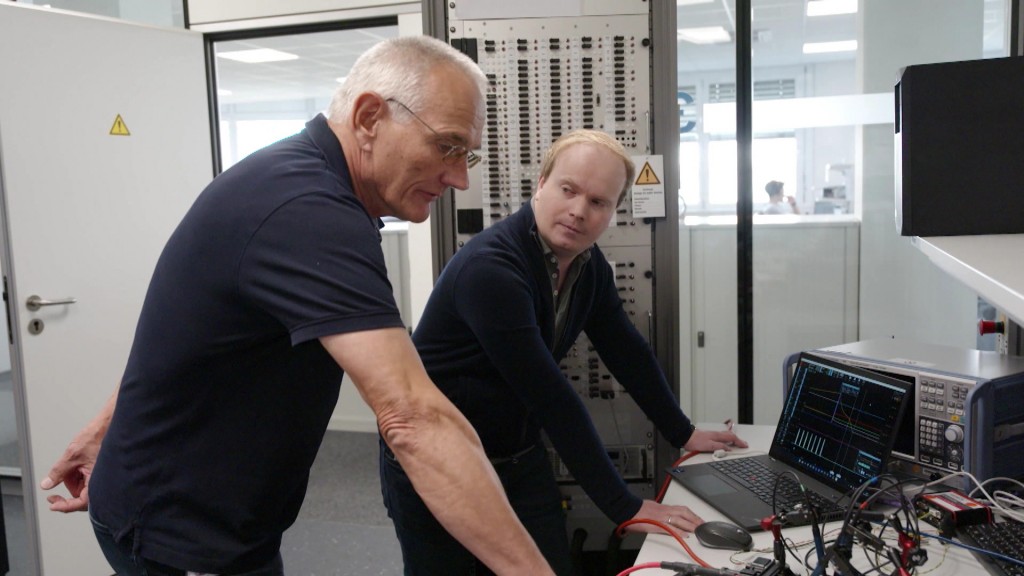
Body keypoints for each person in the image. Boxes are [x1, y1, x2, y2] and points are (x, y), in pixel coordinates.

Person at [39, 36, 556, 576]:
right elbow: (411, 416)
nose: (459, 177)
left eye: (466, 154)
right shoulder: (307, 210)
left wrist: (106, 426)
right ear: (369, 116)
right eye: (447, 146)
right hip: (184, 533)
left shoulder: (296, 180)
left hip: (221, 515)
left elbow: (186, 330)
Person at [379, 130, 748, 575]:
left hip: (516, 454)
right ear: (541, 184)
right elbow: (551, 397)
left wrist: (683, 432)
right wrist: (624, 506)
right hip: (439, 460)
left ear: (613, 212)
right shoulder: (491, 269)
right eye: (568, 190)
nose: (578, 211)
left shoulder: (589, 267)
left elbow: (627, 352)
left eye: (598, 202)